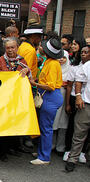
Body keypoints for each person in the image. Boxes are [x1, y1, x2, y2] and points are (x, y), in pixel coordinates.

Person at [0, 37, 30, 162]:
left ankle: (5, 152)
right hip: (1, 100)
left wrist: (27, 71)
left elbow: (29, 80)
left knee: (9, 127)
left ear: (17, 48)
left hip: (15, 100)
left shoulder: (22, 62)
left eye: (13, 47)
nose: (10, 50)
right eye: (8, 48)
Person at [29, 34, 64, 165]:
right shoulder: (48, 62)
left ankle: (44, 157)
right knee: (43, 126)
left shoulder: (53, 64)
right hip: (48, 96)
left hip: (50, 96)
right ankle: (42, 151)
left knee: (46, 127)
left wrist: (35, 84)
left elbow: (50, 86)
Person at [65, 44, 90, 172]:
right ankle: (72, 158)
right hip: (86, 104)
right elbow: (78, 81)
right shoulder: (86, 66)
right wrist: (79, 96)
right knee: (79, 132)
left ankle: (85, 155)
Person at [52, 50, 71, 156]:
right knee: (53, 121)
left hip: (65, 99)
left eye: (64, 58)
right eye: (60, 57)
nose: (61, 60)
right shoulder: (54, 68)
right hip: (55, 97)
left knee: (63, 123)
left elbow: (70, 84)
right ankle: (51, 145)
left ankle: (60, 147)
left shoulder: (70, 70)